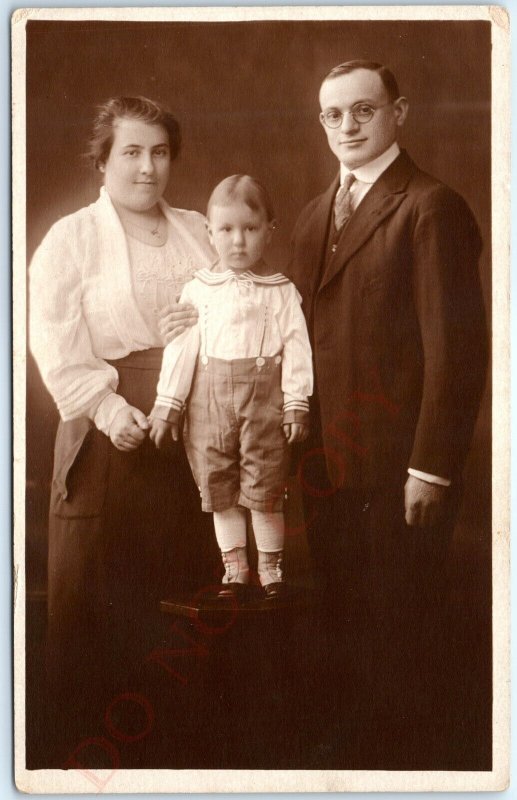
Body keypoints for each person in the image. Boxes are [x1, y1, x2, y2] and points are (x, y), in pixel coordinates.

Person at [287, 61, 488, 752]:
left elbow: (456, 352)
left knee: (401, 650)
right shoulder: (315, 215)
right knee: (341, 638)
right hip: (325, 473)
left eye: (363, 110)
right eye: (333, 114)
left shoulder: (430, 206)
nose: (347, 125)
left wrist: (431, 468)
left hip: (399, 475)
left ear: (397, 113)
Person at [29, 96, 219, 732]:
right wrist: (110, 409)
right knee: (102, 617)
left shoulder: (200, 228)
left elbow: (244, 311)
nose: (147, 168)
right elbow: (53, 339)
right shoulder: (72, 238)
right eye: (132, 152)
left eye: (160, 153)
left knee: (181, 614)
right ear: (103, 161)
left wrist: (199, 322)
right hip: (108, 436)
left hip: (190, 434)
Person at [148, 175, 313, 599]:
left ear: (269, 230)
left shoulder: (280, 293)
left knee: (265, 489)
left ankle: (271, 568)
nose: (238, 241)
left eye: (250, 229)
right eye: (226, 229)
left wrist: (296, 402)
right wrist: (168, 404)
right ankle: (235, 569)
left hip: (264, 408)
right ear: (209, 232)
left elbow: (297, 348)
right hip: (208, 406)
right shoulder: (198, 290)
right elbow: (182, 350)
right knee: (220, 489)